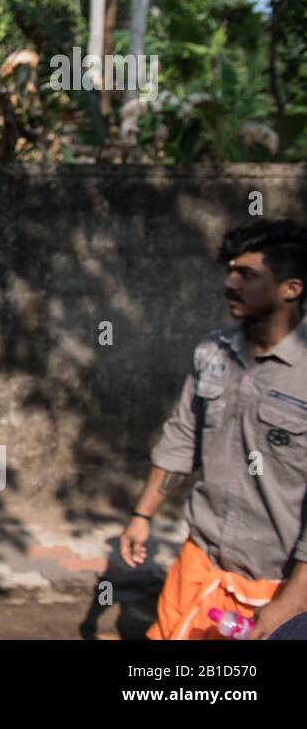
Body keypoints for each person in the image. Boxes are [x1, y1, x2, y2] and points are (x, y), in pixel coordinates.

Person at [120, 220, 307, 640]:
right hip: (200, 565)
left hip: (278, 582)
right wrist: (141, 515)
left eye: (247, 274)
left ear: (291, 289)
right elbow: (182, 437)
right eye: (229, 270)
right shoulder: (212, 352)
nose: (229, 283)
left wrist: (295, 600)